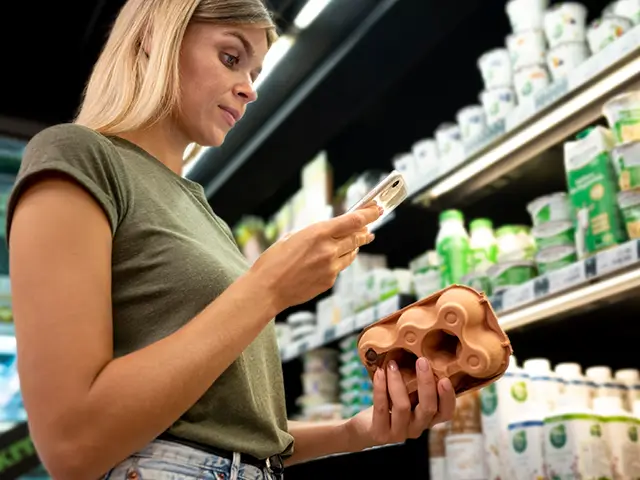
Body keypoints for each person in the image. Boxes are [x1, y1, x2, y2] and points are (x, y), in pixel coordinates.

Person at [5, 0, 456, 479]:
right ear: (157, 38)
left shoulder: (204, 214)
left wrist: (356, 432)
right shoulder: (79, 155)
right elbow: (71, 445)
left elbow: (225, 430)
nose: (250, 90)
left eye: (256, 73)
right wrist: (268, 289)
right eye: (230, 58)